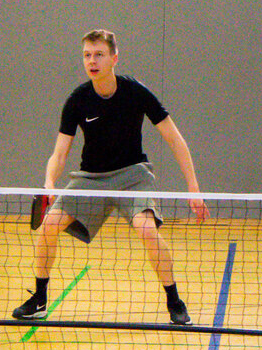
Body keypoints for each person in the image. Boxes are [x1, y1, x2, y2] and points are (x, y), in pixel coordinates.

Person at [12, 28, 208, 325]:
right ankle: (39, 298)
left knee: (146, 229)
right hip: (90, 178)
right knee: (48, 226)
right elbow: (60, 153)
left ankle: (174, 301)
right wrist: (49, 183)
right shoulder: (78, 100)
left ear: (114, 58)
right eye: (87, 55)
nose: (92, 61)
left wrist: (194, 189)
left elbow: (175, 139)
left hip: (133, 176)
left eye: (99, 55)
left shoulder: (136, 92)